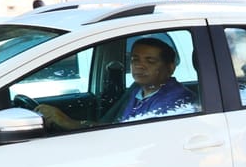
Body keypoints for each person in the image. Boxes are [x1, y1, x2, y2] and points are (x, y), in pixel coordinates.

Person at [37, 36, 195, 130]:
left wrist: (69, 122)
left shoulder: (176, 100)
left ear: (170, 68)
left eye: (150, 61)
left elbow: (132, 137)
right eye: (135, 60)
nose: (139, 66)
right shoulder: (138, 89)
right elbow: (114, 126)